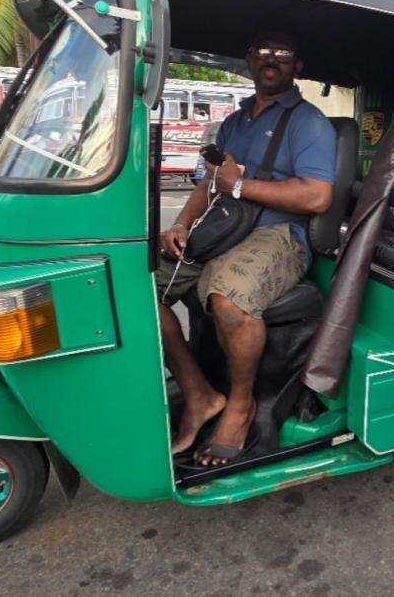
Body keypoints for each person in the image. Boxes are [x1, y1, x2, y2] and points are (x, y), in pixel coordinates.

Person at [157, 30, 336, 465]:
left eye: (283, 54)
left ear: (298, 67)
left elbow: (316, 196)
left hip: (281, 236)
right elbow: (210, 181)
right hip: (224, 229)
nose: (271, 61)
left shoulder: (308, 122)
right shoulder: (238, 121)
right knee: (136, 289)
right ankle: (198, 392)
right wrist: (180, 223)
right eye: (262, 53)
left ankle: (240, 405)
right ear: (249, 61)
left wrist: (238, 184)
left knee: (228, 301)